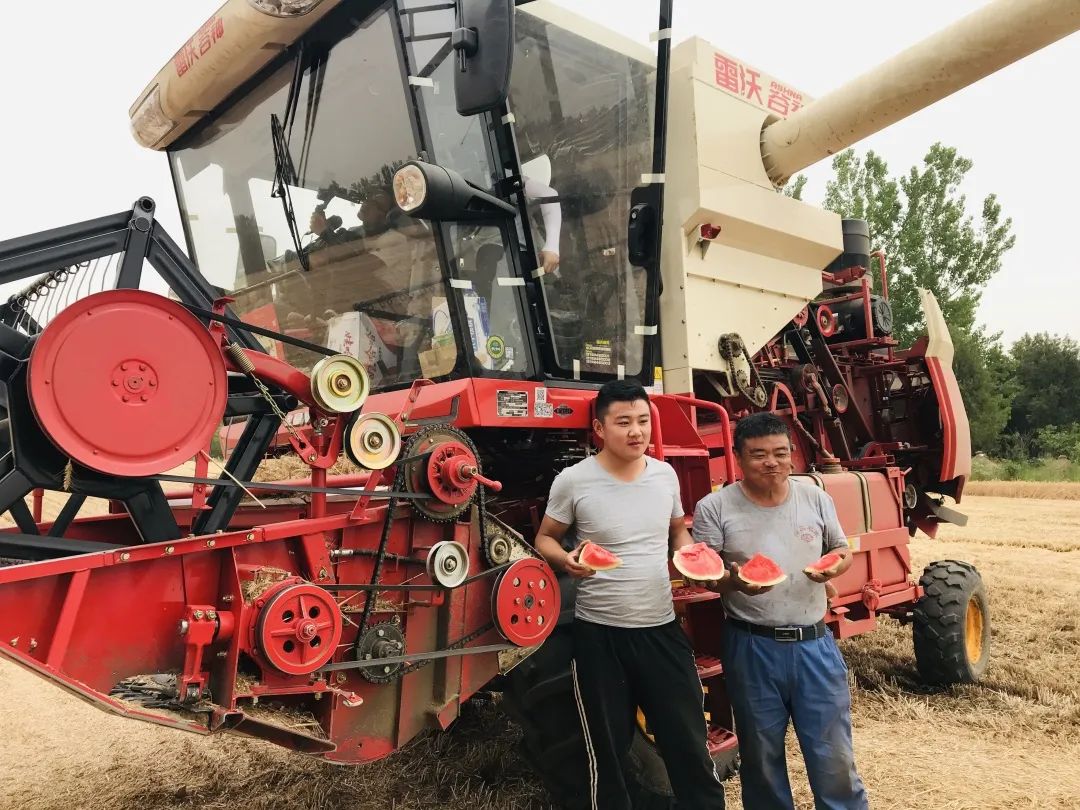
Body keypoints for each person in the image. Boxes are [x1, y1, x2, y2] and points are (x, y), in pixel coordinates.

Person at [535, 379, 727, 810]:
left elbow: (678, 529)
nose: (636, 431)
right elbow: (546, 538)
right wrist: (566, 560)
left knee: (690, 746)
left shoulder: (664, 475)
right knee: (608, 755)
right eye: (624, 422)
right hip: (599, 637)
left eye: (642, 421)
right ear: (600, 428)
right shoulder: (573, 481)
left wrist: (689, 558)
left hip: (660, 630)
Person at [691, 412, 868, 810]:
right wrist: (734, 582)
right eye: (758, 454)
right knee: (761, 758)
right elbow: (706, 574)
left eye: (781, 453)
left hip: (814, 644)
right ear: (737, 457)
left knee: (834, 755)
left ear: (792, 456)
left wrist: (838, 564)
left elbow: (840, 549)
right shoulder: (714, 507)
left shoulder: (816, 497)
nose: (771, 462)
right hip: (752, 646)